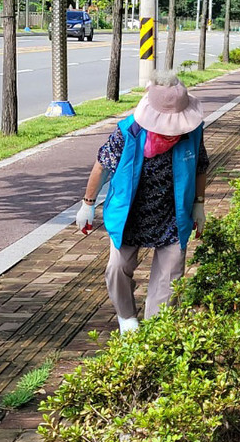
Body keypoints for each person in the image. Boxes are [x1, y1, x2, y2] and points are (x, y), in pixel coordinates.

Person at [76, 73, 208, 334]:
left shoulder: (192, 132)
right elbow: (102, 165)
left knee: (169, 282)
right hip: (131, 215)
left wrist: (199, 203)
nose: (174, 133)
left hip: (173, 215)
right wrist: (88, 204)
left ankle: (155, 336)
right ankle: (127, 319)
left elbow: (200, 166)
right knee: (116, 269)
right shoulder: (129, 132)